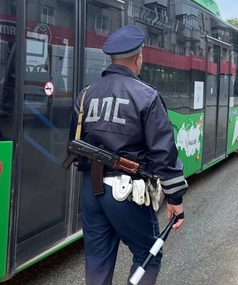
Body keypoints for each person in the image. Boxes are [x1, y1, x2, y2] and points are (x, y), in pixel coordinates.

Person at [67, 25, 188, 285]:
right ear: (138, 57)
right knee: (148, 254)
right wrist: (175, 198)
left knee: (97, 259)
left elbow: (73, 143)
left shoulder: (86, 94)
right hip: (126, 191)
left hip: (91, 189)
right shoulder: (146, 96)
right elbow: (163, 153)